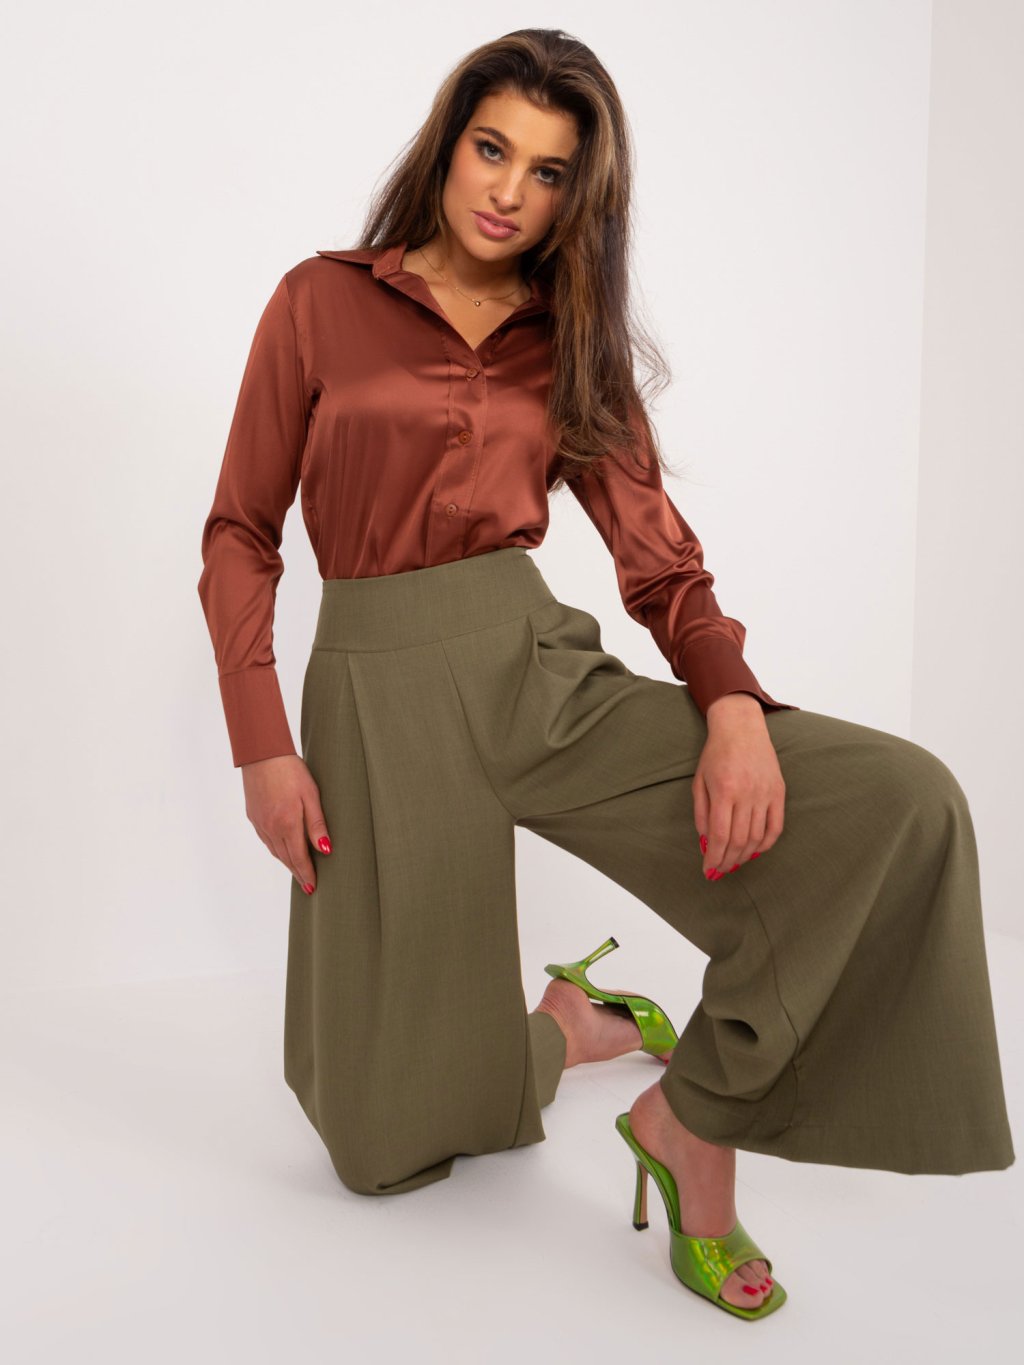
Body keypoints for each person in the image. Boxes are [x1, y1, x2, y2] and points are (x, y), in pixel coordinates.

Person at [197, 27, 1015, 1322]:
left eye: (549, 172)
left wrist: (732, 706)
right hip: (370, 698)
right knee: (384, 1150)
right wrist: (261, 741)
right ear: (447, 143)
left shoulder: (570, 342)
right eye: (491, 148)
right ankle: (573, 1025)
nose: (508, 191)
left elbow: (659, 562)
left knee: (899, 805)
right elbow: (241, 531)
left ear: (579, 196)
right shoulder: (320, 301)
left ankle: (695, 1122)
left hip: (533, 672)